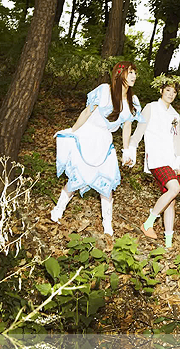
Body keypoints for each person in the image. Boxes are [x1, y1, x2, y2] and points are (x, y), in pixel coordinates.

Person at [51, 61, 142, 236]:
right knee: (77, 177)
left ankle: (107, 223)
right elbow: (87, 112)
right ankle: (58, 210)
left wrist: (126, 150)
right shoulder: (104, 91)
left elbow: (127, 126)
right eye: (130, 72)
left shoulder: (132, 101)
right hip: (87, 135)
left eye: (134, 73)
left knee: (107, 182)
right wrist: (72, 131)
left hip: (105, 141)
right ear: (119, 74)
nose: (133, 76)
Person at [129, 74, 180, 248]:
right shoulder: (151, 107)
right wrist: (130, 150)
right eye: (168, 90)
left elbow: (177, 140)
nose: (171, 94)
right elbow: (139, 132)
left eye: (174, 92)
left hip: (171, 160)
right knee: (174, 188)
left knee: (171, 200)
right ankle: (148, 223)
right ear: (161, 90)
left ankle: (168, 243)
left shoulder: (175, 115)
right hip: (156, 158)